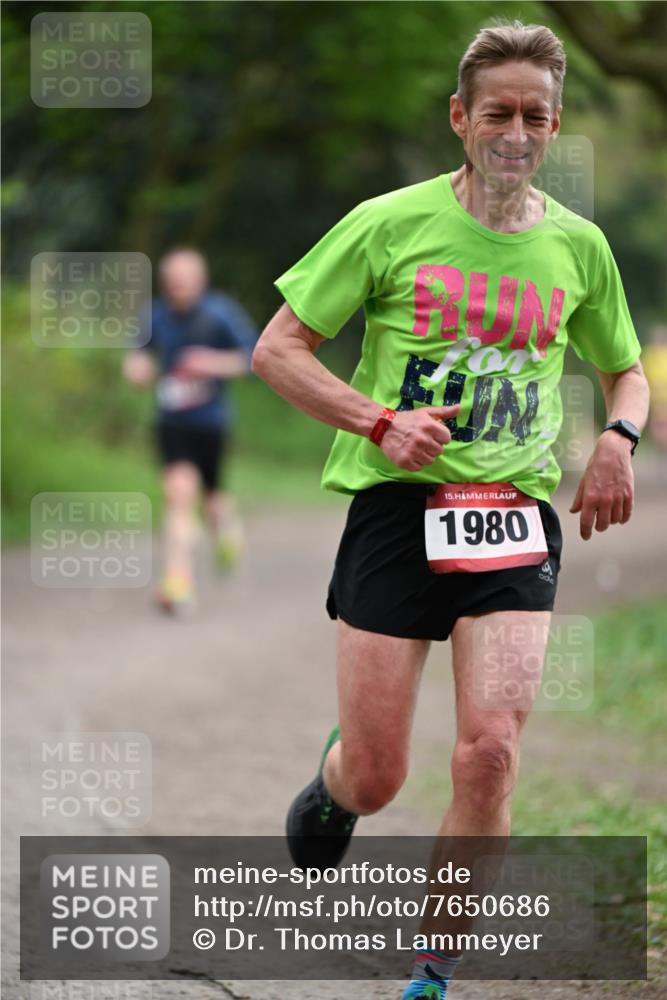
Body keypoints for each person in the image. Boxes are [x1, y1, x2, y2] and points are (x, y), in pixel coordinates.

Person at [253, 20, 649, 1000]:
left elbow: (625, 371)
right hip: (395, 507)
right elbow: (278, 349)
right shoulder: (388, 223)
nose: (514, 131)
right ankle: (336, 787)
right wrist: (377, 418)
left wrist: (615, 437)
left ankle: (432, 969)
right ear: (460, 117)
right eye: (497, 111)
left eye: (535, 115)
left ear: (552, 128)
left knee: (491, 750)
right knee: (380, 772)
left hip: (512, 511)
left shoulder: (578, 246)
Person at [124, 247, 256, 612]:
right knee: (179, 495)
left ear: (201, 281)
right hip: (171, 422)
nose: (177, 288)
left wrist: (211, 363)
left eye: (184, 281)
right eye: (171, 282)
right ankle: (178, 581)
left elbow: (254, 357)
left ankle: (227, 532)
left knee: (213, 500)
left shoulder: (220, 314)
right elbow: (137, 354)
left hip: (211, 424)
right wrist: (137, 370)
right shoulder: (154, 316)